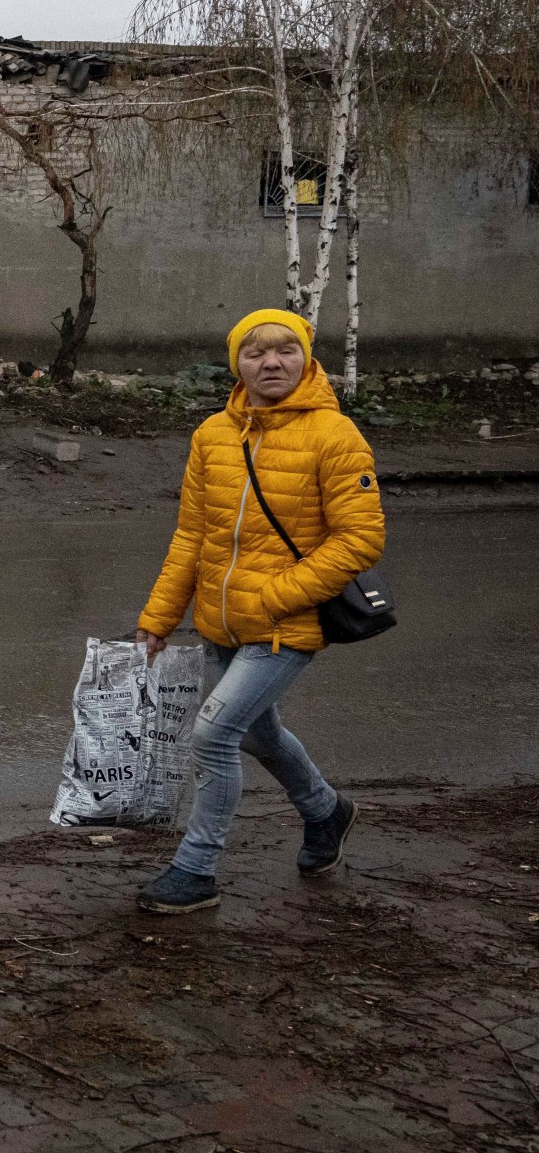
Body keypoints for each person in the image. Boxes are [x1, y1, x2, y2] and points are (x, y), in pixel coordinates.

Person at [133, 309, 383, 913]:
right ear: (236, 364)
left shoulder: (335, 436)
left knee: (215, 733)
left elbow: (360, 539)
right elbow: (192, 534)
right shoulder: (213, 435)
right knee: (258, 733)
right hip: (219, 621)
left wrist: (278, 596)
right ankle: (327, 813)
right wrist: (159, 617)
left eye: (284, 351)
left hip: (284, 625)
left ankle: (196, 869)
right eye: (255, 352)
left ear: (306, 358)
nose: (271, 363)